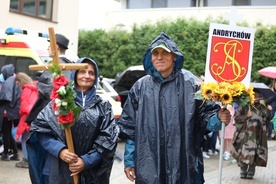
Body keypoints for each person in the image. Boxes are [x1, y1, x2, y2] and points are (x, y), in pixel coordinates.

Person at [117, 32, 231, 183]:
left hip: (184, 163)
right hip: (149, 164)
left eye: (165, 52)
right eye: (155, 53)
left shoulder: (192, 84)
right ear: (150, 57)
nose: (159, 57)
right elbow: (130, 127)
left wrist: (218, 118)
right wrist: (130, 160)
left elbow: (206, 117)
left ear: (174, 56)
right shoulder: (140, 87)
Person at [26, 57, 119, 183]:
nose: (87, 76)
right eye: (82, 72)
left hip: (91, 173)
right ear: (75, 74)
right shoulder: (59, 102)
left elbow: (108, 141)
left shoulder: (103, 107)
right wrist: (60, 150)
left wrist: (86, 161)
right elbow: (41, 132)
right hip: (59, 170)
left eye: (91, 73)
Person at [231, 88, 272, 179]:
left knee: (255, 152)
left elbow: (268, 119)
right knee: (243, 152)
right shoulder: (244, 106)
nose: (256, 98)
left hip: (258, 135)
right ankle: (243, 170)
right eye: (254, 96)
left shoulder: (262, 108)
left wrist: (269, 111)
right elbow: (237, 118)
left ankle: (251, 172)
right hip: (245, 135)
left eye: (258, 96)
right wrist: (246, 116)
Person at [14, 72, 38, 168]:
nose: (18, 85)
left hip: (27, 118)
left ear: (20, 81)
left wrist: (20, 111)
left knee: (24, 139)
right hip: (34, 117)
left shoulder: (26, 90)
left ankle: (26, 159)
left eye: (17, 83)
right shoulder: (34, 88)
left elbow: (24, 107)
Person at [0, 64, 21, 161]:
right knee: (8, 132)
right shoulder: (14, 80)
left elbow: (6, 97)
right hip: (12, 111)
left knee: (6, 133)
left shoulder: (8, 82)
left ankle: (5, 154)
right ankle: (15, 153)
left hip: (6, 111)